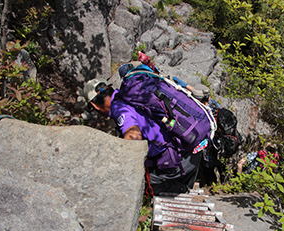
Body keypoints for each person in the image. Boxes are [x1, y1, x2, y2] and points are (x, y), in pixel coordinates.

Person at [82, 65, 202, 195]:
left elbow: (134, 136)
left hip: (176, 161)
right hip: (187, 147)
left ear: (95, 106)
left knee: (142, 186)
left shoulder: (119, 109)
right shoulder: (129, 96)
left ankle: (181, 189)